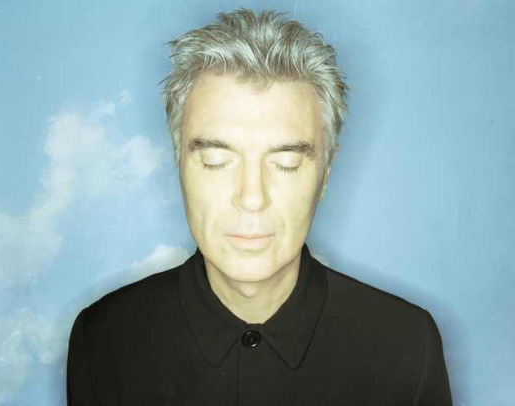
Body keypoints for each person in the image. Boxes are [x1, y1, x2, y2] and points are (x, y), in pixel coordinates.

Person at [67, 8, 452, 405]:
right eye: (216, 160)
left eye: (286, 163)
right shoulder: (102, 339)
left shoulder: (408, 346)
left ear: (326, 172)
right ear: (178, 161)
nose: (252, 197)